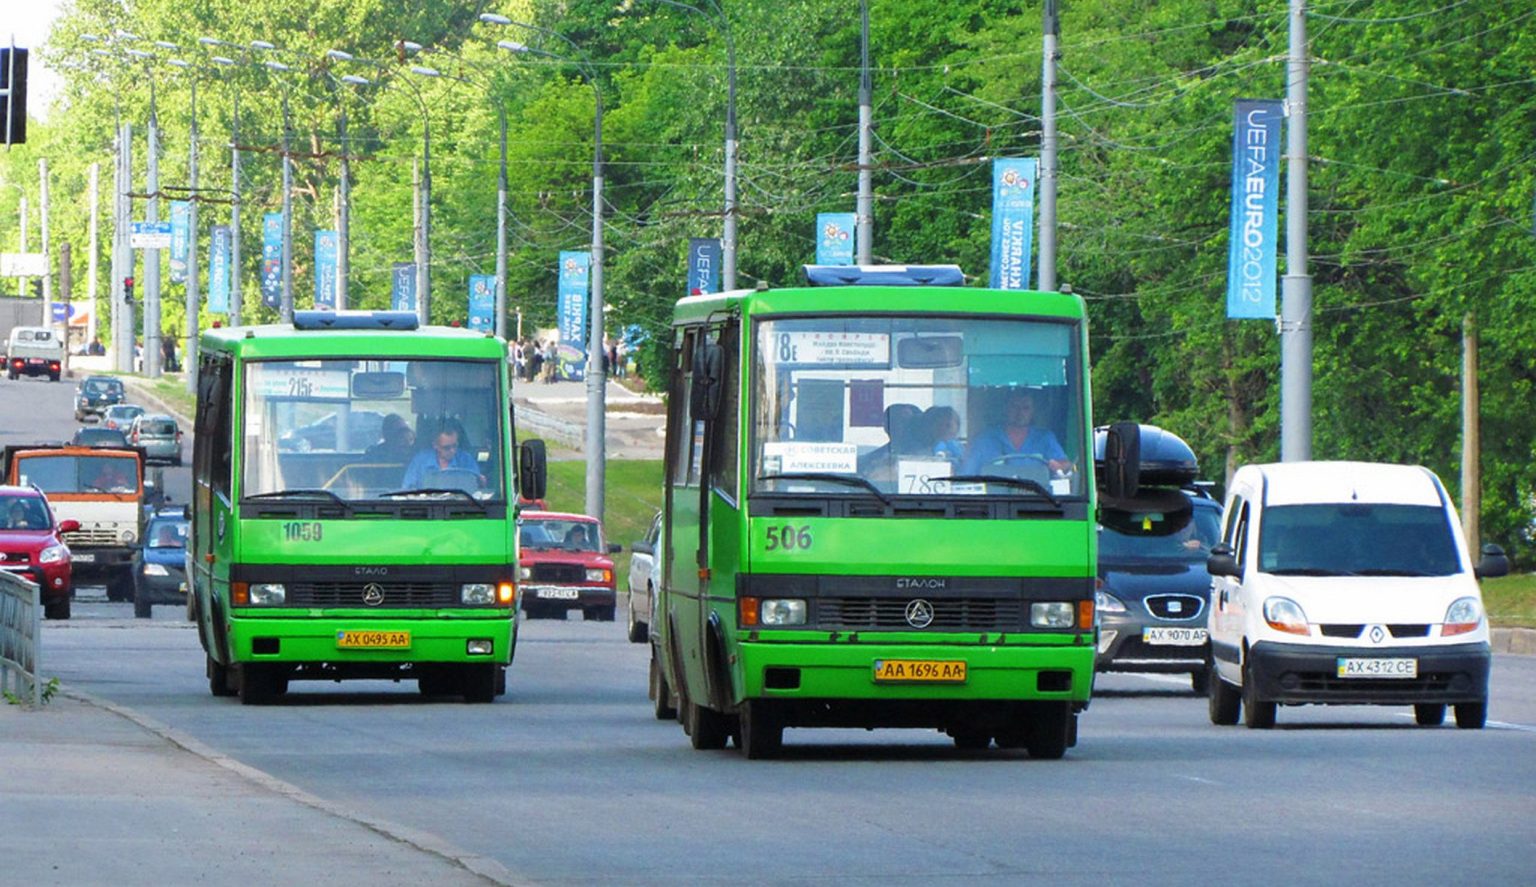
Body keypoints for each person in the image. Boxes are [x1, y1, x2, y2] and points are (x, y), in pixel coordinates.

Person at [960, 388, 1072, 475]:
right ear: (1005, 408)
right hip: (994, 497)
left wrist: (1059, 467)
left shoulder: (1045, 438)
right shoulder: (984, 440)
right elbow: (967, 475)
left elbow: (1065, 465)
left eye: (1025, 408)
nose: (1020, 412)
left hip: (1038, 497)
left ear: (1033, 411)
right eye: (1014, 406)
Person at [402, 424, 482, 489]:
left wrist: (481, 483)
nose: (452, 451)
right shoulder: (419, 461)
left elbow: (477, 489)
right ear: (435, 445)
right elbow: (407, 489)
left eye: (455, 446)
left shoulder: (466, 459)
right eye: (447, 448)